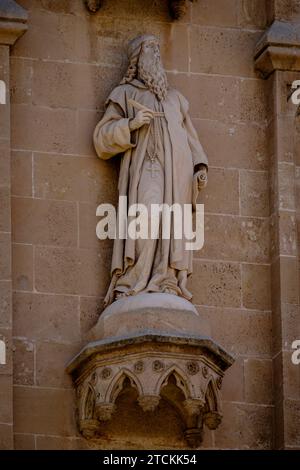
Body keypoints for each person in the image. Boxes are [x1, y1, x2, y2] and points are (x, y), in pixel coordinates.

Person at [93, 34, 208, 306]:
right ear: (137, 59)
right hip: (149, 168)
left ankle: (165, 279)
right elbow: (101, 138)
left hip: (177, 175)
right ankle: (132, 280)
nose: (156, 56)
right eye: (150, 51)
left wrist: (199, 166)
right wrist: (131, 124)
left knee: (171, 226)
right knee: (146, 214)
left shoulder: (175, 100)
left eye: (158, 51)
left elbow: (191, 139)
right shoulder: (125, 94)